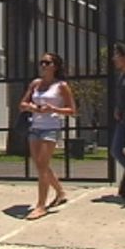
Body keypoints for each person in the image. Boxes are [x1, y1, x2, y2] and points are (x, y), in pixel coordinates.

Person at [19, 53, 77, 220]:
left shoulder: (61, 86)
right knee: (40, 165)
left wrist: (53, 109)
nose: (43, 65)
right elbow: (22, 104)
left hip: (50, 128)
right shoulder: (35, 83)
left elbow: (72, 110)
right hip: (35, 126)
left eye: (47, 62)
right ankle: (60, 192)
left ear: (55, 66)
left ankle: (41, 206)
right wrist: (34, 108)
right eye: (41, 62)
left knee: (42, 166)